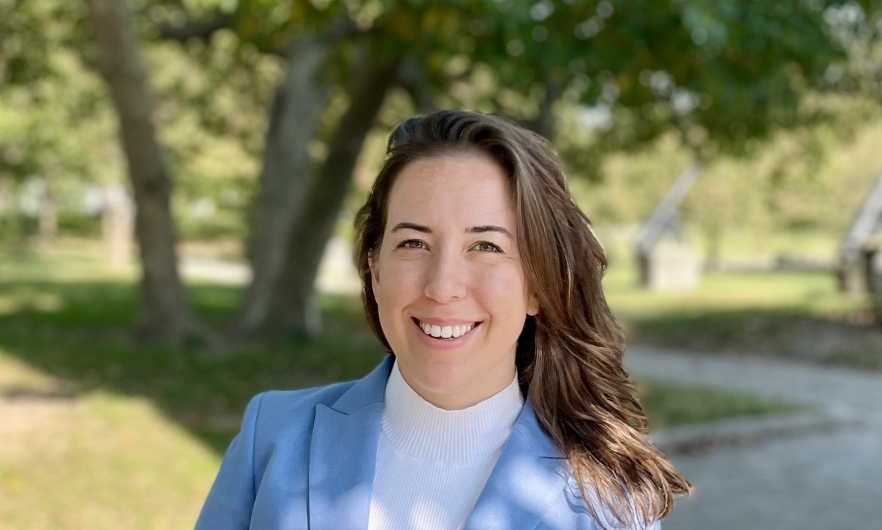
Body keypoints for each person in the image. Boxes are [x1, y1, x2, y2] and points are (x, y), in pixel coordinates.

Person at [195, 110, 691, 530]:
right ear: (375, 266)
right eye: (413, 243)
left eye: (486, 246)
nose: (442, 285)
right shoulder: (274, 437)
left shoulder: (608, 505)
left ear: (538, 284)